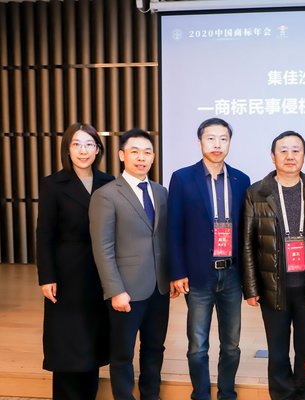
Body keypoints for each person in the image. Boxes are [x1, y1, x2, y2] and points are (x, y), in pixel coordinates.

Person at [242, 131, 305, 400]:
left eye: (296, 150)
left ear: (304, 156)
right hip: (273, 287)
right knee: (278, 351)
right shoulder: (256, 193)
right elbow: (247, 243)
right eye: (283, 151)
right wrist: (251, 287)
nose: (290, 156)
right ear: (273, 157)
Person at [168, 118, 250, 400]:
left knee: (232, 345)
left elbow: (245, 231)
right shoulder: (182, 178)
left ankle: (227, 393)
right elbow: (174, 229)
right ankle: (200, 394)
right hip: (198, 275)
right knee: (197, 345)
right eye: (211, 138)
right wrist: (177, 272)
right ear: (200, 141)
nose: (217, 144)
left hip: (232, 275)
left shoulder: (241, 180)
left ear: (229, 142)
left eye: (223, 139)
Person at [89, 128, 172, 400]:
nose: (141, 158)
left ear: (153, 157)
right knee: (122, 353)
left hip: (159, 288)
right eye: (135, 152)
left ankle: (151, 395)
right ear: (122, 155)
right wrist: (115, 290)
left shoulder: (161, 192)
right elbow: (102, 247)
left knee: (155, 348)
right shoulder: (106, 195)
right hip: (126, 290)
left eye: (147, 152)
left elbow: (164, 239)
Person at [36, 122, 113, 400]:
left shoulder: (109, 182)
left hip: (100, 272)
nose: (83, 151)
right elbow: (44, 234)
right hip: (66, 274)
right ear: (67, 149)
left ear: (98, 150)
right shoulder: (53, 184)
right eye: (76, 144)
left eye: (89, 144)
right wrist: (47, 276)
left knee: (92, 340)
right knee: (67, 342)